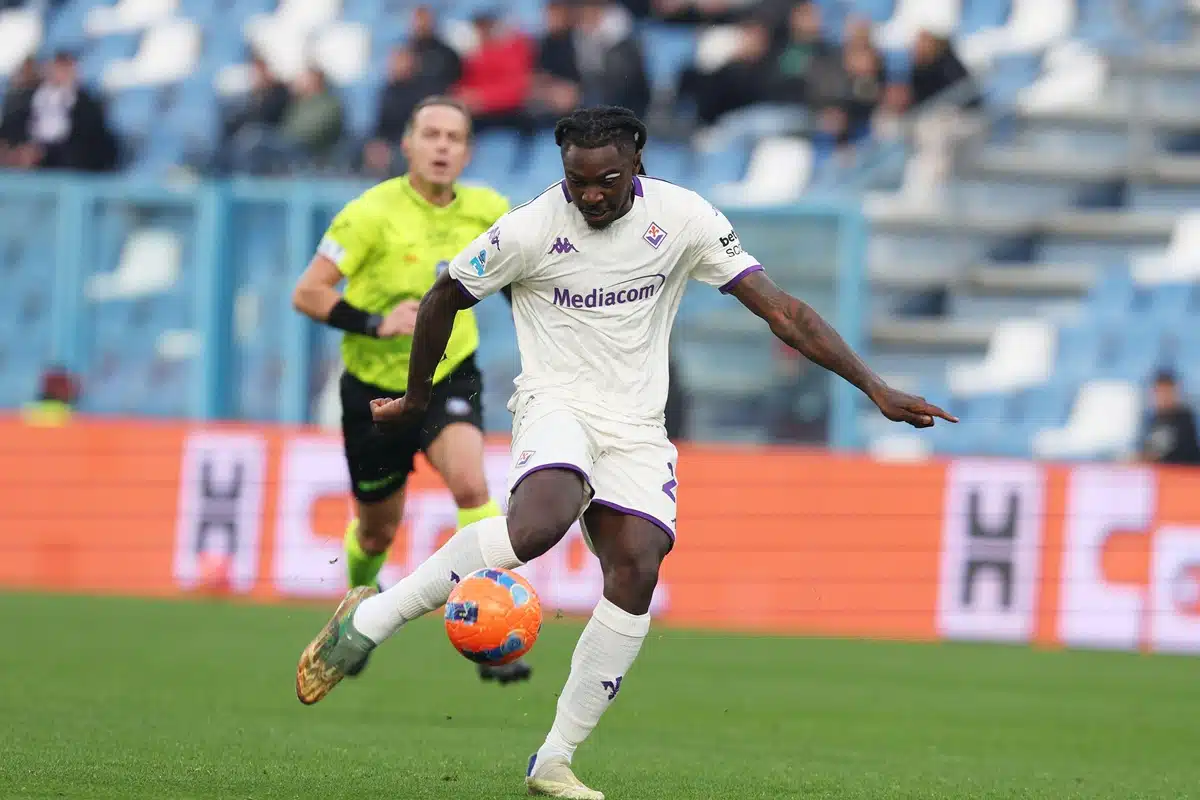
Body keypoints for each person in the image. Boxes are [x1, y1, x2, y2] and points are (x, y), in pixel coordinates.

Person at [296, 105, 956, 798]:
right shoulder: (529, 228)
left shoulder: (684, 218)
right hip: (556, 403)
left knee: (638, 566)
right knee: (536, 528)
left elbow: (782, 311)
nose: (590, 196)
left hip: (637, 425)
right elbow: (442, 300)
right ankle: (371, 620)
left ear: (635, 162)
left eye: (605, 181)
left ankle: (554, 759)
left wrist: (874, 387)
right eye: (577, 181)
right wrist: (417, 399)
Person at [291, 95, 533, 686]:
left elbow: (519, 280)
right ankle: (358, 611)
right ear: (408, 145)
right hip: (375, 391)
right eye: (431, 134)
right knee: (376, 530)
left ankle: (493, 625)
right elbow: (308, 292)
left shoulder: (489, 211)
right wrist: (375, 322)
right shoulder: (369, 214)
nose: (442, 146)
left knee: (471, 483)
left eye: (455, 137)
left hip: (447, 374)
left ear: (468, 152)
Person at [1141, 369, 1200, 466]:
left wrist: (1145, 457)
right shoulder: (1153, 420)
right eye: (1159, 392)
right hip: (1161, 472)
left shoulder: (1184, 418)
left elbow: (1174, 452)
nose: (1163, 397)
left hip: (1184, 472)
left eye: (1167, 392)